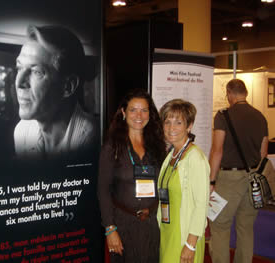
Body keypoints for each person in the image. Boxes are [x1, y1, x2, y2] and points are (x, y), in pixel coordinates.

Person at [98, 89, 166, 262]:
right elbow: (103, 190)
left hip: (153, 223)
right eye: (133, 110)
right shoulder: (113, 146)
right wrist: (110, 229)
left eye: (144, 110)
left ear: (150, 114)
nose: (139, 115)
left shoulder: (157, 145)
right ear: (123, 112)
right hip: (123, 224)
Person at [14, 25, 98, 161]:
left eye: (37, 72)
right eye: (19, 68)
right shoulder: (22, 132)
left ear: (68, 87)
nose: (19, 83)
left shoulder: (91, 139)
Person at [209, 79, 268, 263]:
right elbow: (263, 153)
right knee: (246, 227)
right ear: (246, 93)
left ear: (229, 93)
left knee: (219, 225)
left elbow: (217, 150)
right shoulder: (260, 116)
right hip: (253, 178)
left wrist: (211, 181)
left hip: (228, 178)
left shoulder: (222, 115)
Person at [157, 99, 210, 263]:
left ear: (189, 126)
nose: (171, 128)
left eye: (178, 122)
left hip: (185, 235)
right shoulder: (172, 155)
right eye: (167, 122)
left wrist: (191, 244)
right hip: (168, 231)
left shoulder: (195, 158)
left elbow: (201, 204)